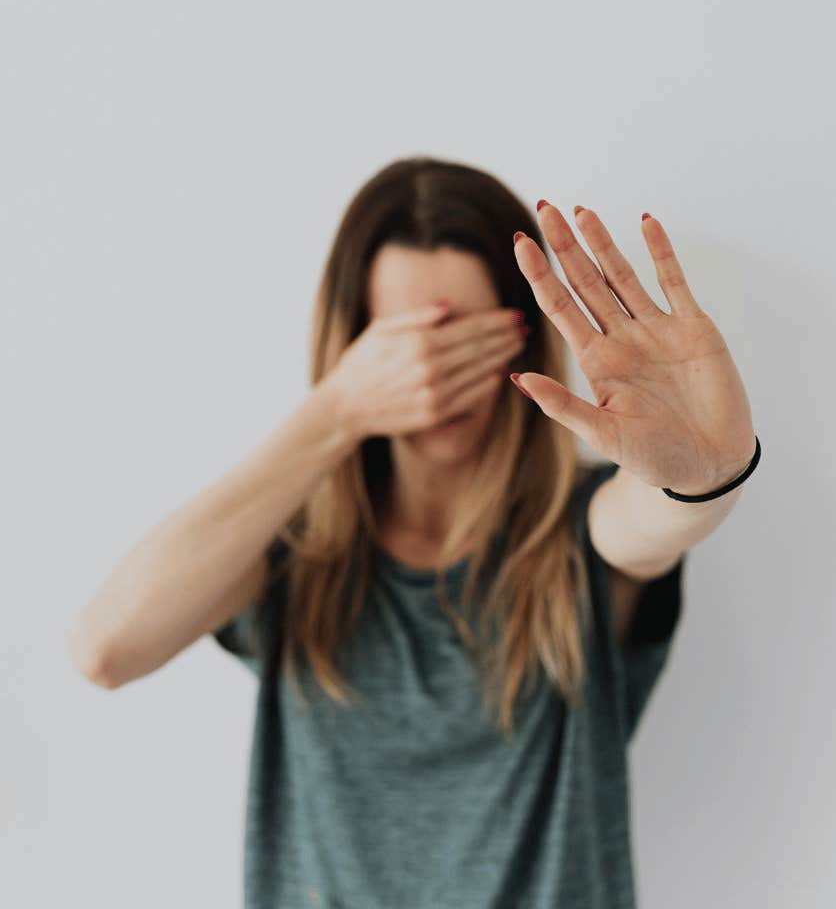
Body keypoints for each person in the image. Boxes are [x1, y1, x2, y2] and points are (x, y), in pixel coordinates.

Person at [66, 155, 756, 908]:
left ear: (519, 339)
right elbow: (106, 649)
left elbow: (655, 518)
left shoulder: (576, 529)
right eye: (404, 343)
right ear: (353, 346)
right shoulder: (288, 549)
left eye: (468, 338)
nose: (433, 376)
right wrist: (336, 412)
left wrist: (705, 473)